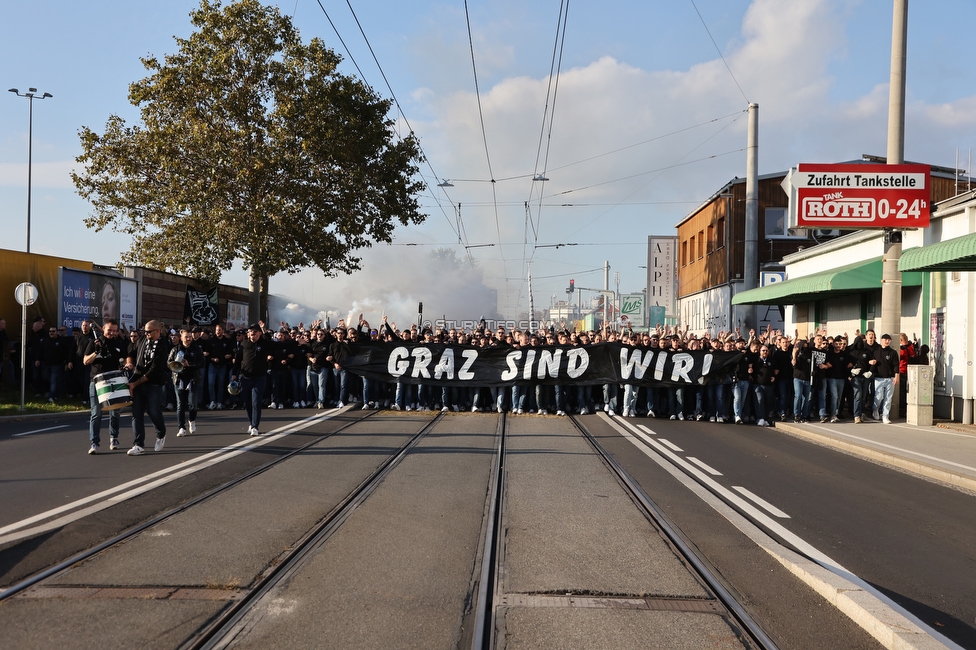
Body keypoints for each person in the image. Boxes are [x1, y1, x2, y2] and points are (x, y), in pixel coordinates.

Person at [126, 320, 172, 455]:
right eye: (144, 331)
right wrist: (129, 363)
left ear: (157, 331)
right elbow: (131, 352)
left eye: (148, 332)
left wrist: (135, 383)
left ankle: (161, 433)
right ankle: (138, 444)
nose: (145, 334)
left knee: (153, 411)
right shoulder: (141, 340)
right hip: (138, 381)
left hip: (153, 383)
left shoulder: (163, 345)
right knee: (136, 413)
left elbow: (154, 370)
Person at [83, 318, 128, 454]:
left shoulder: (119, 344)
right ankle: (94, 443)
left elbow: (125, 360)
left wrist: (124, 365)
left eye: (114, 331)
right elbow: (85, 361)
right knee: (96, 413)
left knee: (115, 412)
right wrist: (96, 352)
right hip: (97, 382)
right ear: (103, 328)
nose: (112, 333)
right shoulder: (94, 342)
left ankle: (114, 438)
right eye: (109, 330)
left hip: (115, 380)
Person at [232, 323, 274, 436]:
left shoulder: (264, 344)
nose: (253, 333)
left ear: (259, 333)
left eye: (255, 331)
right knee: (248, 402)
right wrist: (234, 374)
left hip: (259, 378)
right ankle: (251, 423)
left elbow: (278, 344)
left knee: (256, 403)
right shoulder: (244, 344)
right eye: (251, 331)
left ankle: (255, 426)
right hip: (245, 378)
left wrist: (297, 343)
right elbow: (238, 360)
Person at [171, 327, 205, 437]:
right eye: (186, 337)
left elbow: (202, 363)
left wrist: (190, 364)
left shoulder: (197, 349)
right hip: (179, 379)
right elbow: (169, 363)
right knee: (180, 405)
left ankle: (192, 420)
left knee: (193, 404)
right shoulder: (175, 349)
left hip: (192, 379)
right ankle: (181, 427)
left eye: (190, 337)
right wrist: (177, 364)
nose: (189, 339)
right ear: (181, 338)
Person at [872, 334, 900, 424]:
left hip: (890, 378)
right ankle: (875, 410)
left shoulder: (893, 352)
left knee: (888, 398)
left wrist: (896, 376)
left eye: (889, 340)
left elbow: (896, 365)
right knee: (879, 397)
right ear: (881, 340)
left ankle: (885, 416)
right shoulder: (876, 351)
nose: (887, 341)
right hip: (878, 378)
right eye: (885, 340)